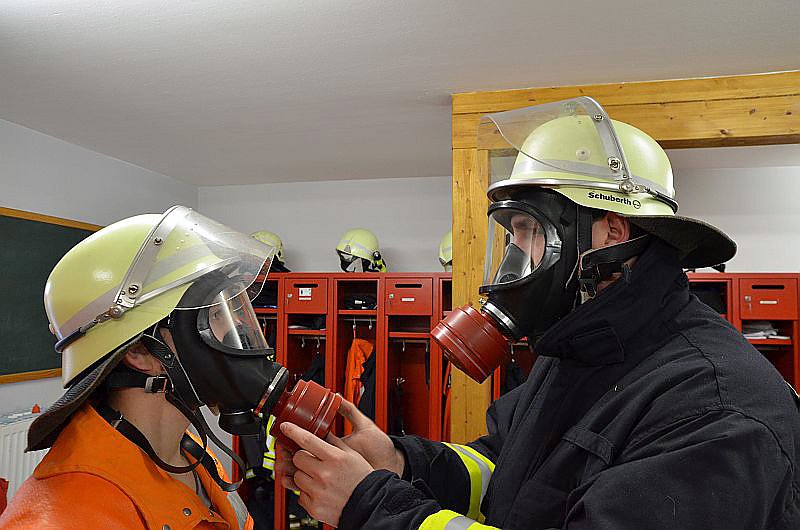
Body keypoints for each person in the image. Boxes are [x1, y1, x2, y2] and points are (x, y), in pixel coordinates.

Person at [274, 97, 800, 529]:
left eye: (531, 231)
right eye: (512, 234)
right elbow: (506, 468)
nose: (514, 260)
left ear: (610, 233)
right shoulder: (577, 348)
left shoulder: (714, 407)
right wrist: (400, 462)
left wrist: (373, 507)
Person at [0, 205, 293, 529]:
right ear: (141, 352)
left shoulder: (195, 458)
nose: (236, 326)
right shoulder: (66, 517)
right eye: (214, 313)